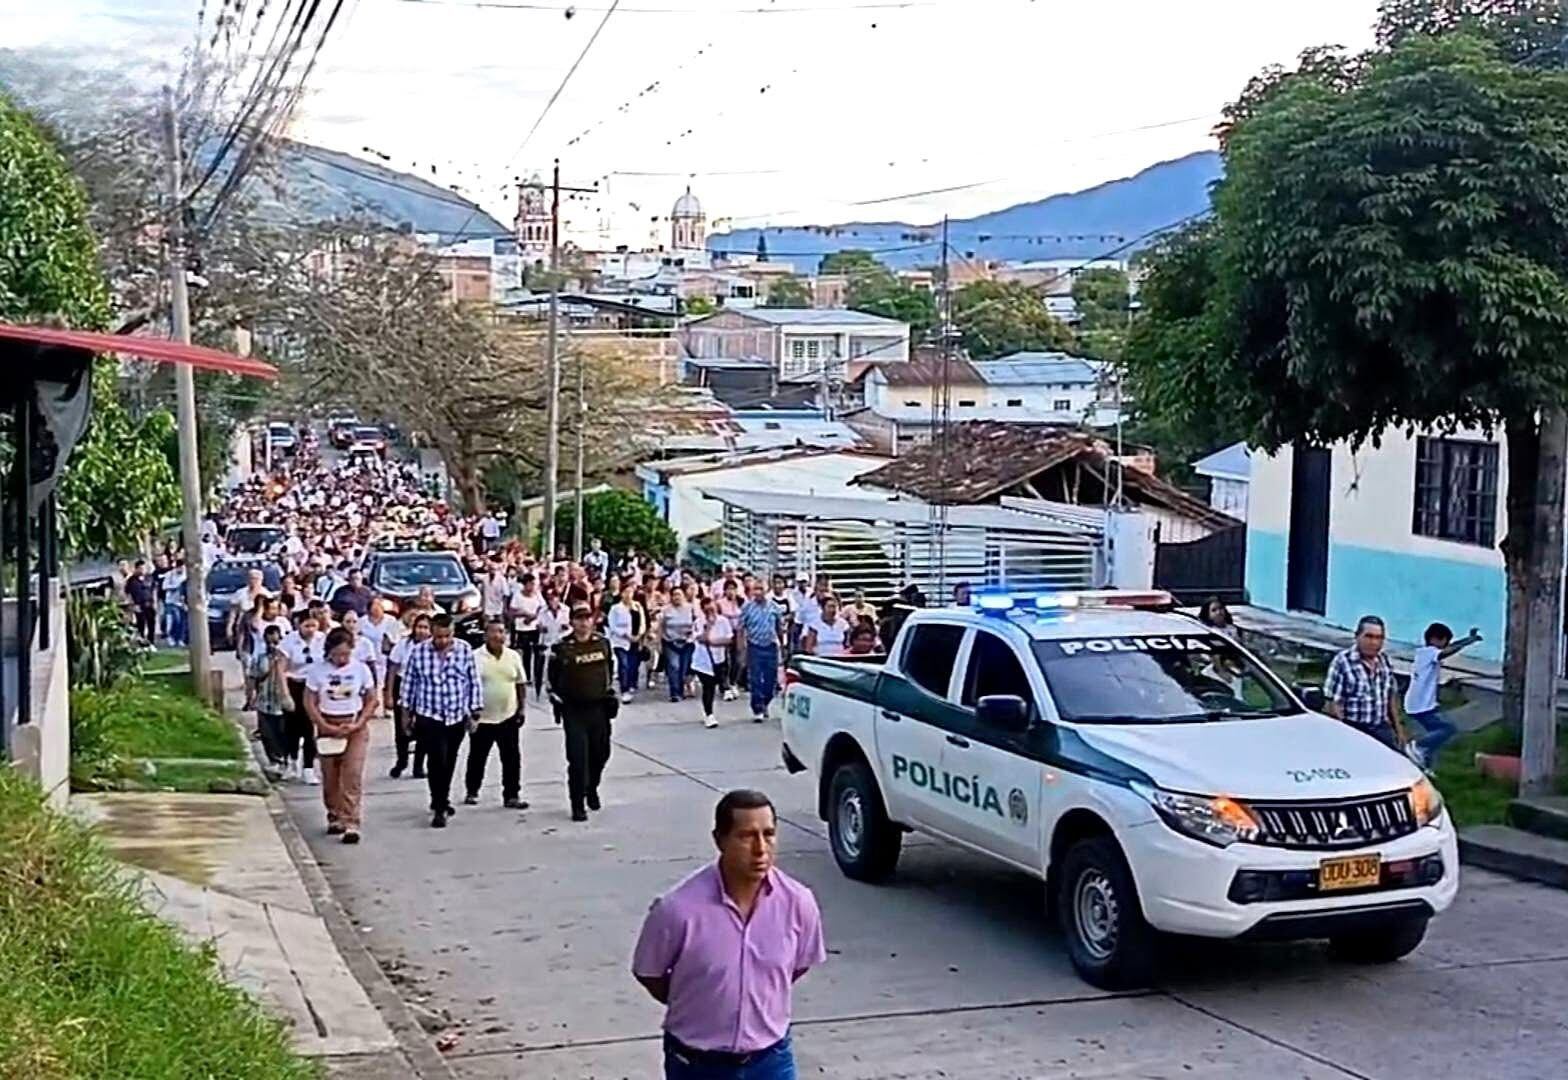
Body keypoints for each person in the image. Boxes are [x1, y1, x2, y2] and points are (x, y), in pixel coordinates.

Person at [632, 790, 826, 1080]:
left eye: (769, 834)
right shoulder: (677, 910)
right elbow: (649, 973)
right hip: (697, 1063)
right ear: (719, 840)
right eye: (746, 836)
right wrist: (700, 998)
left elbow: (797, 966)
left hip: (770, 1060)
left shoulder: (798, 903)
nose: (761, 848)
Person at [399, 613, 485, 828]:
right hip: (429, 715)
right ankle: (439, 805)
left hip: (456, 715)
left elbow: (473, 681)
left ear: (453, 633)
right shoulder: (419, 653)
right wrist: (406, 715)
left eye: (447, 636)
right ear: (432, 633)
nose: (442, 641)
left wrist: (475, 712)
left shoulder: (464, 649)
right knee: (436, 759)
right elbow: (409, 684)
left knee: (449, 760)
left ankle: (441, 797)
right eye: (438, 637)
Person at [305, 627, 378, 844]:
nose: (341, 659)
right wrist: (323, 725)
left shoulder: (360, 669)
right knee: (331, 775)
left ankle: (351, 821)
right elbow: (309, 701)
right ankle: (334, 814)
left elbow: (372, 699)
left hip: (354, 725)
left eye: (346, 654)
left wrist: (359, 723)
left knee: (352, 773)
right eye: (337, 655)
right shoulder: (317, 670)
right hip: (328, 723)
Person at [547, 604, 616, 822]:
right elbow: (552, 679)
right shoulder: (562, 647)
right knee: (577, 760)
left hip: (599, 709)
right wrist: (557, 701)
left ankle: (591, 787)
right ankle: (577, 805)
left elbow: (609, 671)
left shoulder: (603, 643)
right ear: (572, 622)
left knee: (601, 754)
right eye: (579, 619)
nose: (583, 623)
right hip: (574, 710)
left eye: (587, 618)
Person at [465, 619, 529, 809]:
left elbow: (520, 683)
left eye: (501, 632)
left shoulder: (513, 656)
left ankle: (512, 795)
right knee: (477, 757)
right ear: (486, 635)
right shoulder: (474, 657)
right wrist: (469, 713)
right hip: (482, 717)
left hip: (508, 716)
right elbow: (467, 685)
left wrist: (521, 709)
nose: (497, 636)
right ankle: (472, 790)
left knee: (511, 758)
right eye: (493, 632)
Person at [1404, 622, 1482, 770]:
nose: (1446, 645)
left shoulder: (1425, 653)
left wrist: (1468, 639)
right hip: (1420, 706)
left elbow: (1448, 648)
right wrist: (1468, 642)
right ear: (1434, 639)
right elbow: (1447, 652)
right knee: (1448, 730)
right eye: (1444, 642)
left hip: (1423, 704)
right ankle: (1417, 745)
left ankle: (1425, 764)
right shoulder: (1428, 653)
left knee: (1436, 735)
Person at [1323, 615, 1408, 751]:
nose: (1374, 643)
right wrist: (1342, 736)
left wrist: (1399, 731)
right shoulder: (1342, 662)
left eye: (1379, 638)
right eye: (1369, 636)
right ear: (1357, 637)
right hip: (1355, 728)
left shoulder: (1384, 661)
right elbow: (1333, 704)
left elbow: (1390, 699)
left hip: (1380, 727)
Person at [387, 612, 432, 780]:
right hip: (402, 685)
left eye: (426, 628)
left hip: (424, 688)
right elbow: (392, 669)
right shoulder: (404, 645)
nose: (422, 631)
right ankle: (402, 761)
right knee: (401, 727)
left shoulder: (432, 647)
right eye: (419, 627)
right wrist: (388, 694)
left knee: (424, 728)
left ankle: (419, 765)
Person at [248, 624, 291, 775]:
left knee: (282, 732)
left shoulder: (287, 659)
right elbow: (253, 677)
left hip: (281, 702)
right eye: (270, 642)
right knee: (267, 733)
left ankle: (284, 759)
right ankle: (273, 760)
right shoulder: (260, 659)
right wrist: (251, 696)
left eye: (276, 641)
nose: (273, 645)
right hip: (264, 700)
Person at [738, 581, 783, 723]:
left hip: (770, 646)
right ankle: (757, 707)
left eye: (761, 589)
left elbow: (779, 627)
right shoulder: (747, 608)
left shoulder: (774, 607)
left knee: (771, 680)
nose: (758, 592)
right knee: (755, 679)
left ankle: (766, 702)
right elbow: (741, 628)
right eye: (755, 589)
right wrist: (741, 648)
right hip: (754, 646)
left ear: (766, 590)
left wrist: (782, 645)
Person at [692, 595, 734, 729]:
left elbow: (729, 639)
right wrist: (708, 626)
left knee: (716, 684)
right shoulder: (699, 622)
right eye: (707, 608)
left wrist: (715, 642)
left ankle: (725, 690)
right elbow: (701, 639)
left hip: (719, 658)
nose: (710, 610)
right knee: (708, 687)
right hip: (703, 661)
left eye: (712, 607)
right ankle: (709, 714)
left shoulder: (724, 621)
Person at [607, 583, 647, 704]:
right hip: (621, 641)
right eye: (626, 592)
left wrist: (639, 635)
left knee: (633, 665)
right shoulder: (615, 608)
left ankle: (631, 684)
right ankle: (624, 689)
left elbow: (643, 622)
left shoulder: (637, 606)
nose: (628, 595)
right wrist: (625, 634)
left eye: (631, 592)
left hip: (635, 640)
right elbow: (612, 625)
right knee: (623, 664)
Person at [660, 585, 697, 703]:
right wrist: (661, 640)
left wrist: (692, 636)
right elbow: (661, 626)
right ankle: (675, 693)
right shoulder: (666, 610)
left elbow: (697, 624)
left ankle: (681, 690)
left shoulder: (690, 608)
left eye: (679, 595)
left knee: (683, 668)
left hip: (687, 642)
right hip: (670, 642)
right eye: (674, 595)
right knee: (674, 666)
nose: (677, 597)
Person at [125, 560, 159, 644]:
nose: (142, 570)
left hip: (149, 603)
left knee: (151, 623)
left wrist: (155, 603)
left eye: (144, 568)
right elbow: (128, 593)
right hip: (138, 604)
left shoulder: (149, 578)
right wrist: (133, 605)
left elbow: (154, 590)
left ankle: (151, 641)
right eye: (140, 568)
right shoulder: (131, 580)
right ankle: (142, 641)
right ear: (136, 569)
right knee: (141, 624)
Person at [160, 556, 189, 647]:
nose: (181, 570)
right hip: (171, 601)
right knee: (175, 620)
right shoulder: (170, 574)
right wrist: (174, 587)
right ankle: (171, 637)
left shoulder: (186, 575)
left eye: (182, 568)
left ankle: (180, 639)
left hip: (182, 601)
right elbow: (164, 587)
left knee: (182, 621)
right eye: (179, 568)